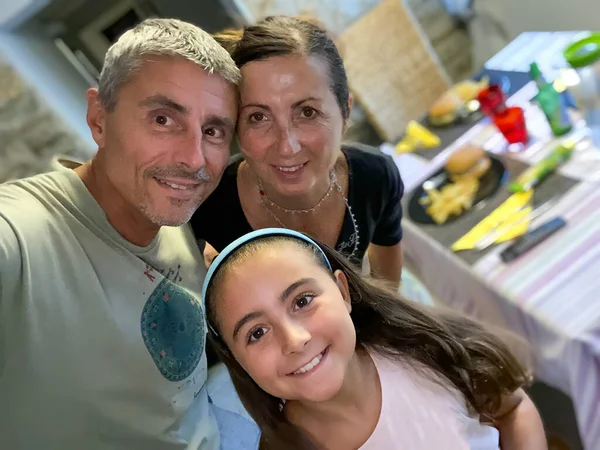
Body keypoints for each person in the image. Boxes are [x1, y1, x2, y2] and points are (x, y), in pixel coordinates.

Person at [0, 18, 259, 450]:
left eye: (213, 131)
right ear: (99, 118)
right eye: (163, 119)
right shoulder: (22, 234)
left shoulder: (176, 220)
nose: (195, 158)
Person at [201, 228, 547, 450]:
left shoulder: (425, 348)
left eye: (303, 301)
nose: (295, 339)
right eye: (256, 333)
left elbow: (513, 409)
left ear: (342, 291)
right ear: (237, 360)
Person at [191, 16, 404, 285]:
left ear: (345, 111)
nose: (287, 146)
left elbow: (388, 292)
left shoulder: (375, 177)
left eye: (307, 112)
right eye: (258, 117)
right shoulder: (206, 206)